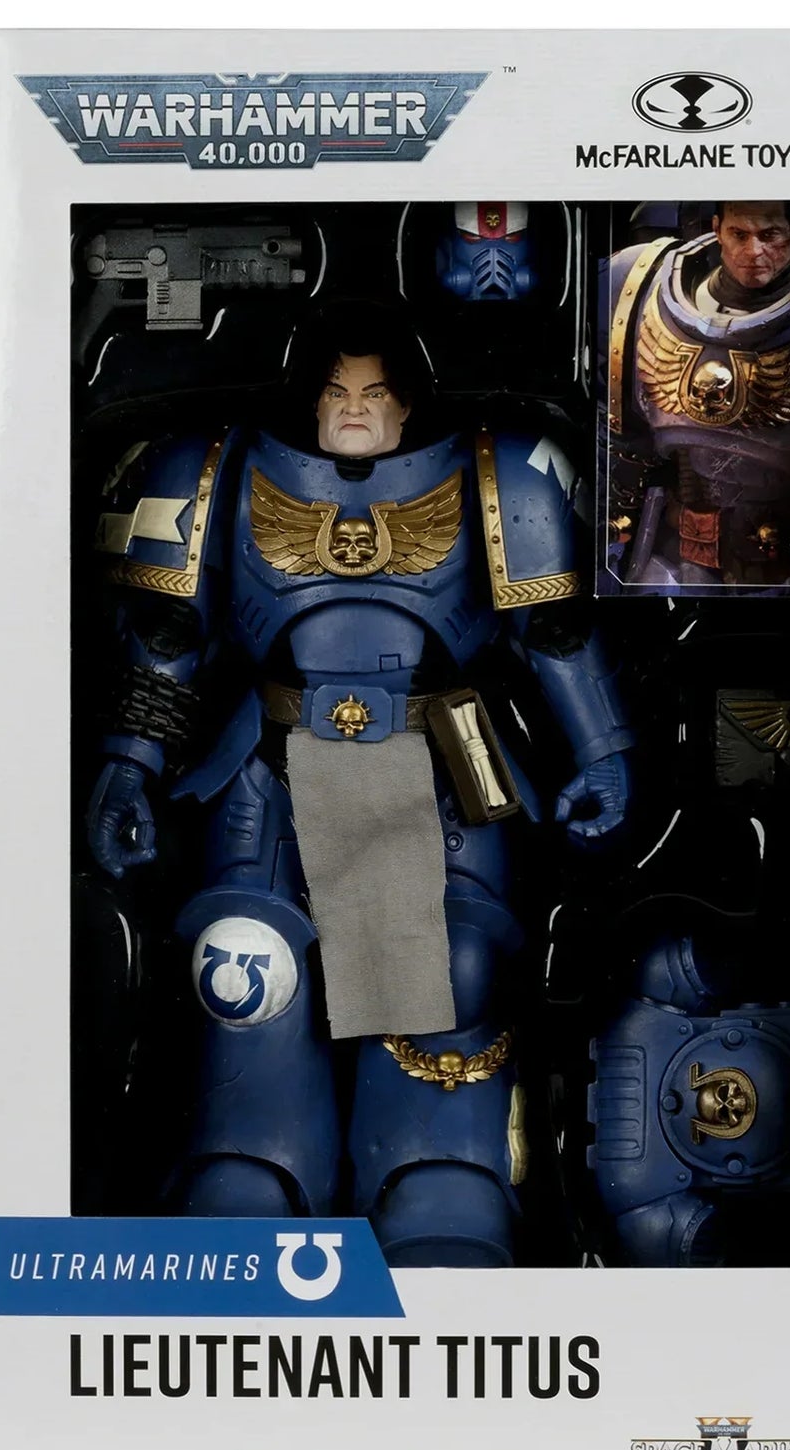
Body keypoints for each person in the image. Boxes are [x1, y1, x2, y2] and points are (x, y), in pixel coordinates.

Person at [84, 315, 631, 1266]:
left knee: (452, 976)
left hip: (437, 772)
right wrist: (130, 764)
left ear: (408, 402)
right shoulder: (214, 468)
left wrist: (604, 751)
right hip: (270, 772)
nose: (352, 411)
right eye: (337, 393)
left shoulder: (501, 474)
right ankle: (250, 1170)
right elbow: (171, 637)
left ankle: (440, 1182)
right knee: (246, 974)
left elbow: (553, 634)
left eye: (373, 394)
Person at [604, 200, 790, 588]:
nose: (754, 252)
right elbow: (623, 447)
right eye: (739, 234)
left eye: (769, 235)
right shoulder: (639, 282)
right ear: (717, 229)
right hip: (677, 556)